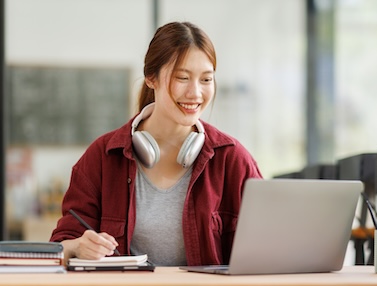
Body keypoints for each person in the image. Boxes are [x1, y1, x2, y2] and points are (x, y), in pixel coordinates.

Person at [50, 21, 263, 266]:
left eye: (206, 80)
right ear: (151, 78)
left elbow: (271, 246)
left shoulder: (233, 160)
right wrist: (78, 246)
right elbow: (60, 247)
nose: (195, 93)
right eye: (182, 77)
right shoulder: (102, 156)